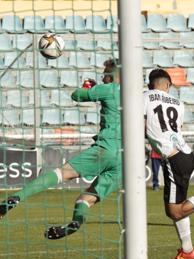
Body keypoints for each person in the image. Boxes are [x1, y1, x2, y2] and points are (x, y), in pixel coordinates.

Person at [0, 59, 122, 240]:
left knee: (62, 173)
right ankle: (74, 225)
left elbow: (77, 95)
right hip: (126, 159)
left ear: (113, 75)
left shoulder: (110, 88)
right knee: (86, 198)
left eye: (105, 74)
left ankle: (15, 199)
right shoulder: (137, 95)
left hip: (106, 148)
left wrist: (87, 88)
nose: (103, 78)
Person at [144, 68, 194, 259]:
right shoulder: (178, 103)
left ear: (149, 84)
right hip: (186, 154)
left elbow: (142, 125)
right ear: (168, 85)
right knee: (179, 207)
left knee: (174, 211)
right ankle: (188, 250)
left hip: (174, 159)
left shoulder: (143, 97)